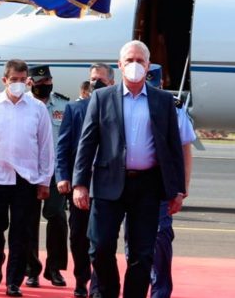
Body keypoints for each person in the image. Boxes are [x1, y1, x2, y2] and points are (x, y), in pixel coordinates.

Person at [73, 40, 186, 298]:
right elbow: (87, 142)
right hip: (107, 183)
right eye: (130, 61)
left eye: (140, 61)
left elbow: (173, 148)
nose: (135, 65)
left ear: (148, 66)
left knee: (141, 254)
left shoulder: (163, 101)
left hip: (147, 186)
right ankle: (109, 292)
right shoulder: (102, 98)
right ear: (120, 65)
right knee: (99, 248)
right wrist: (80, 183)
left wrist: (178, 190)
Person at [0, 59, 54, 297]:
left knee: (21, 232)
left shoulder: (37, 108)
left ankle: (13, 281)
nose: (17, 84)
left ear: (28, 81)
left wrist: (45, 180)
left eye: (21, 80)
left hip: (26, 179)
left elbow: (46, 147)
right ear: (4, 80)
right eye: (12, 80)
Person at [56, 63, 115, 298]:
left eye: (100, 80)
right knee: (78, 236)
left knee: (100, 240)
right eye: (92, 79)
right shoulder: (75, 109)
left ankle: (98, 284)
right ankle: (82, 277)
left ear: (111, 83)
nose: (95, 84)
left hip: (106, 185)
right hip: (80, 183)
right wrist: (62, 177)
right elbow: (62, 146)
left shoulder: (117, 109)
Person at [143, 64, 194, 298]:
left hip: (163, 183)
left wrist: (183, 187)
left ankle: (160, 292)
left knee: (160, 236)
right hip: (135, 182)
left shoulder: (173, 107)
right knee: (136, 240)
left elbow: (185, 148)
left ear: (162, 85)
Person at [24, 64, 69, 288]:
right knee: (29, 220)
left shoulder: (62, 104)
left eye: (48, 81)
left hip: (55, 172)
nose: (45, 86)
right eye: (40, 83)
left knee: (57, 217)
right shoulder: (22, 105)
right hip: (29, 172)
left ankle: (55, 268)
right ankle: (31, 269)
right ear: (30, 83)